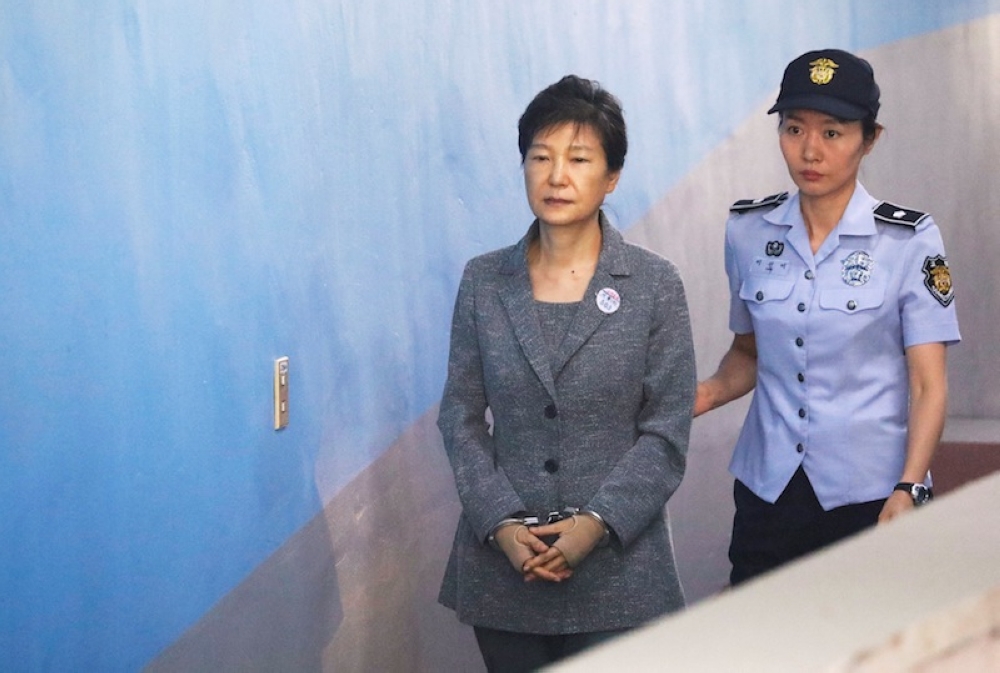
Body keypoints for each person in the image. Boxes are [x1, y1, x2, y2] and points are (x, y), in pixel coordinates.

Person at [437, 74, 696, 671]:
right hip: (507, 569)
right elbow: (460, 415)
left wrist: (597, 523)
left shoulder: (654, 285)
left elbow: (665, 431)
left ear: (611, 178)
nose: (557, 177)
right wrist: (499, 522)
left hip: (620, 574)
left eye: (579, 159)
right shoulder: (484, 281)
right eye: (541, 157)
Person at [694, 49, 961, 586]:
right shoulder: (748, 231)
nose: (809, 150)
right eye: (794, 129)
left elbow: (928, 386)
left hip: (870, 494)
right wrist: (693, 399)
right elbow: (748, 355)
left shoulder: (908, 240)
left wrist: (909, 489)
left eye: (832, 133)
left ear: (870, 137)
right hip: (768, 491)